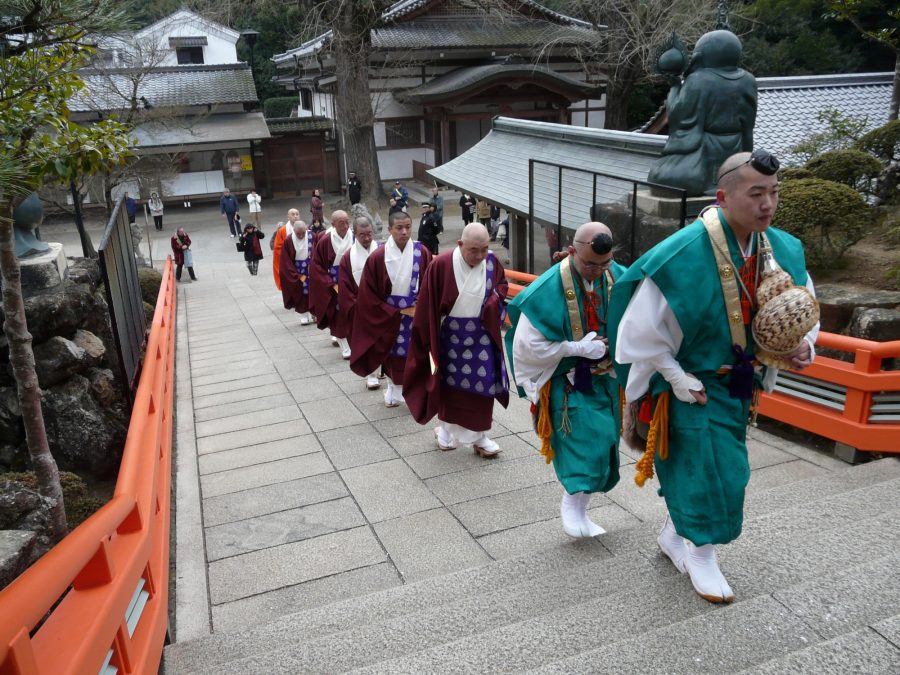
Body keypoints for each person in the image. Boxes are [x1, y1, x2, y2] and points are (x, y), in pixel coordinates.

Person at [608, 150, 818, 604]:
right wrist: (675, 376)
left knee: (702, 467)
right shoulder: (681, 253)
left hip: (741, 385)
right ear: (723, 196)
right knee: (714, 473)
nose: (768, 204)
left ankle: (673, 534)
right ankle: (701, 553)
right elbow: (638, 333)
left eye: (775, 193)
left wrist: (802, 345)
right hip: (691, 384)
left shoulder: (783, 248)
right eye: (756, 193)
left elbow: (802, 310)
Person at [506, 222, 625, 539]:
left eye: (604, 264)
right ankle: (571, 505)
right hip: (567, 380)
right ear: (573, 251)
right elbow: (527, 346)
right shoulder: (548, 287)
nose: (597, 271)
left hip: (607, 378)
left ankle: (581, 509)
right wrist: (576, 348)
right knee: (586, 440)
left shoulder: (617, 276)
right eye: (589, 264)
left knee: (607, 442)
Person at [404, 223, 509, 458]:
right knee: (450, 389)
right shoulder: (440, 264)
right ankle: (446, 432)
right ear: (460, 244)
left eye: (484, 249)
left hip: (481, 337)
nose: (480, 256)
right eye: (474, 250)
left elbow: (502, 287)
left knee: (483, 388)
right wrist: (426, 341)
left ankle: (480, 436)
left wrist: (494, 302)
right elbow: (427, 305)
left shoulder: (491, 262)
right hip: (449, 340)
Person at [349, 211, 433, 407]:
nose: (404, 232)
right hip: (388, 315)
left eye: (408, 227)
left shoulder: (423, 252)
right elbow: (368, 293)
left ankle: (415, 390)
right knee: (392, 353)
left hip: (415, 313)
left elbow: (430, 284)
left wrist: (421, 302)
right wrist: (391, 311)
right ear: (389, 230)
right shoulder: (378, 257)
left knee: (416, 352)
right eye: (399, 228)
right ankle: (393, 390)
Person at [339, 216, 381, 389]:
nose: (367, 238)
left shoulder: (382, 250)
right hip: (361, 306)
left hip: (383, 304)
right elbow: (345, 286)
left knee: (385, 341)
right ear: (355, 234)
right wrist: (356, 305)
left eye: (370, 233)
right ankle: (371, 374)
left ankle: (385, 371)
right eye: (362, 234)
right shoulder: (348, 257)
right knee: (368, 341)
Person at [310, 209, 354, 358]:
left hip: (354, 281)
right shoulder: (325, 241)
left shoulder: (354, 237)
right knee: (338, 315)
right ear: (334, 224)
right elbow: (317, 266)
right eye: (342, 223)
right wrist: (330, 283)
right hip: (335, 284)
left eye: (348, 222)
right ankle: (345, 347)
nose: (346, 226)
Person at [279, 217, 314, 325]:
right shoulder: (288, 240)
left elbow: (319, 252)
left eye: (303, 233)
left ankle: (315, 313)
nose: (301, 236)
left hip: (311, 268)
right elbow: (285, 261)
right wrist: (295, 274)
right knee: (301, 293)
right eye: (298, 233)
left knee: (314, 291)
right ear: (294, 231)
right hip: (297, 270)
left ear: (306, 229)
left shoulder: (313, 236)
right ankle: (304, 314)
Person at [270, 209, 301, 291]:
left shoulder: (305, 228)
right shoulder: (282, 231)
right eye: (293, 214)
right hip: (289, 262)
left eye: (297, 214)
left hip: (302, 262)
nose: (295, 216)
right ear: (288, 217)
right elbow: (277, 248)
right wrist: (289, 254)